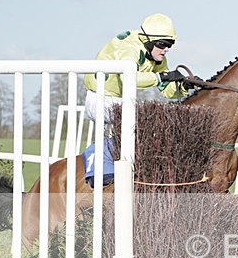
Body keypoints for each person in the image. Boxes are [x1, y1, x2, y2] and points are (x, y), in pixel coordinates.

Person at [82, 13, 193, 187]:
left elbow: (165, 90)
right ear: (148, 41)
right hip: (100, 98)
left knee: (149, 121)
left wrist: (182, 87)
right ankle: (96, 156)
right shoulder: (130, 49)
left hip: (119, 100)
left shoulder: (157, 57)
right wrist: (162, 77)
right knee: (142, 120)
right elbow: (130, 77)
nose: (166, 49)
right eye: (163, 45)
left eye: (170, 45)